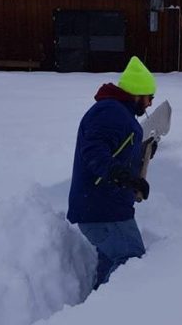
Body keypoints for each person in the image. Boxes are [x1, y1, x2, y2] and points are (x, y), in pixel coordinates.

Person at [67, 55, 157, 289]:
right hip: (102, 209)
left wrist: (142, 153)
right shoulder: (109, 112)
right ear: (137, 93)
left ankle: (97, 313)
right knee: (131, 260)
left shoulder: (118, 113)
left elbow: (117, 152)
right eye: (149, 98)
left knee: (111, 262)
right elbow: (95, 152)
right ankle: (112, 317)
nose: (149, 104)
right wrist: (122, 175)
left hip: (105, 206)